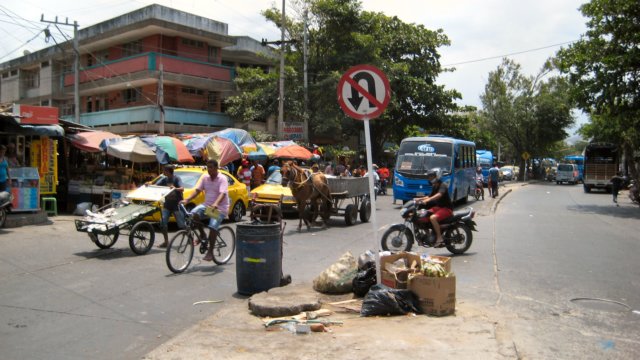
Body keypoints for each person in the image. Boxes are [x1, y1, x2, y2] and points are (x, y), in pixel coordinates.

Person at [181, 159, 229, 262]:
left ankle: (210, 252)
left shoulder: (222, 178)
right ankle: (203, 235)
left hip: (219, 208)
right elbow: (197, 191)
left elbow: (222, 193)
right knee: (193, 214)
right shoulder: (205, 178)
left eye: (211, 167)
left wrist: (216, 203)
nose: (209, 170)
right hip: (207, 206)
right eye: (208, 167)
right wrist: (187, 199)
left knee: (212, 226)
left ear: (216, 168)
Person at [414, 170, 453, 246]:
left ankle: (439, 238)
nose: (429, 178)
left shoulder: (443, 185)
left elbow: (439, 195)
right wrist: (419, 199)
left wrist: (428, 200)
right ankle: (429, 235)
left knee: (433, 218)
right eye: (429, 177)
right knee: (423, 215)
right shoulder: (435, 186)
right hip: (439, 207)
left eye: (431, 176)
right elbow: (429, 196)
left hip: (447, 208)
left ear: (437, 176)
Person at [150, 165, 185, 248]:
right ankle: (166, 242)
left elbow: (182, 188)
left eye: (164, 171)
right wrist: (149, 184)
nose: (163, 172)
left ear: (168, 171)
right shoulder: (164, 179)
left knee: (181, 225)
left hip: (177, 205)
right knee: (162, 222)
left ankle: (189, 238)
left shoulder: (177, 179)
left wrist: (175, 188)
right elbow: (155, 185)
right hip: (167, 205)